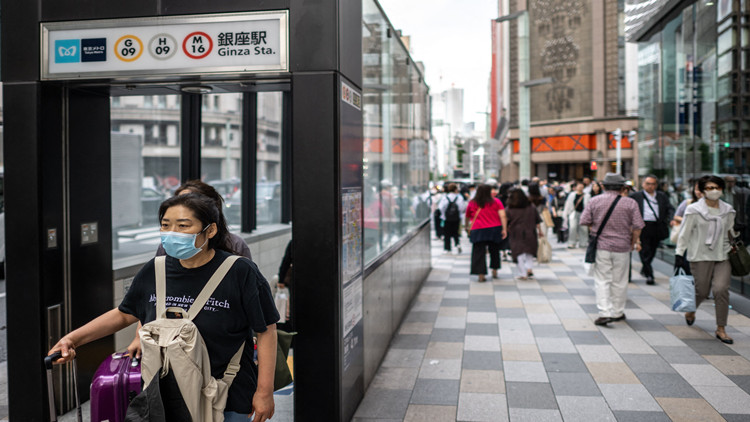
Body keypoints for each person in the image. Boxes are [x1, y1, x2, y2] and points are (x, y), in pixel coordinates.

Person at [48, 193, 280, 421]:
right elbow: (123, 314)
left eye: (183, 226)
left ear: (210, 230)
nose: (172, 233)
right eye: (166, 225)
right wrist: (72, 339)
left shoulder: (241, 272)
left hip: (227, 394)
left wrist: (264, 392)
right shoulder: (154, 270)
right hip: (164, 396)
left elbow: (266, 330)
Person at [675, 175, 736, 344]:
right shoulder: (694, 210)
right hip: (700, 256)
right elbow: (684, 233)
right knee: (701, 291)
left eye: (717, 187)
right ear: (702, 191)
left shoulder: (728, 210)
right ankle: (691, 310)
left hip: (723, 255)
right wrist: (679, 254)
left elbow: (731, 233)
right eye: (709, 188)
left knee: (721, 289)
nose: (714, 191)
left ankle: (721, 328)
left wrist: (737, 235)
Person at [580, 173, 644, 326]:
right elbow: (638, 226)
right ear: (623, 187)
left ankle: (604, 312)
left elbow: (584, 221)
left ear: (603, 186)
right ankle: (617, 312)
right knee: (620, 280)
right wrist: (633, 242)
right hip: (622, 246)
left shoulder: (594, 201)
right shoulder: (630, 203)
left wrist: (595, 230)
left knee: (602, 280)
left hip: (602, 246)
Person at [630, 175, 674, 285]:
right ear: (643, 184)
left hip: (657, 226)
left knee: (653, 249)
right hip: (642, 226)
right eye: (648, 184)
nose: (650, 186)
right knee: (644, 249)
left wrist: (671, 219)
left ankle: (645, 267)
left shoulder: (661, 196)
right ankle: (650, 274)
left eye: (653, 184)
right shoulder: (636, 196)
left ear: (656, 185)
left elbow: (669, 208)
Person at [465, 184, 508, 282]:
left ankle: (481, 274)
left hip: (478, 229)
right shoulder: (496, 201)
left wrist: (467, 226)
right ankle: (494, 269)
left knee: (478, 251)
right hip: (494, 228)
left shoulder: (472, 202)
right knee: (494, 250)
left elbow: (467, 216)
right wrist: (504, 229)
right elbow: (503, 215)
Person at [505, 188, 544, 280]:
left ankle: (523, 273)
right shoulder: (531, 206)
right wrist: (540, 231)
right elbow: (537, 220)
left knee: (518, 252)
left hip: (516, 232)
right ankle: (529, 268)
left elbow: (506, 220)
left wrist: (505, 229)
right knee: (529, 251)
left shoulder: (510, 208)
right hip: (530, 231)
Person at [671, 179, 702, 274]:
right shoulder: (688, 203)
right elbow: (676, 216)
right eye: (696, 189)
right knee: (686, 266)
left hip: (702, 243)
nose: (698, 192)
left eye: (700, 189)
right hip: (688, 240)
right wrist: (686, 220)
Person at [438, 183, 466, 254]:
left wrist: (444, 215)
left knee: (447, 233)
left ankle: (448, 248)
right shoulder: (459, 197)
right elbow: (462, 208)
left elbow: (441, 207)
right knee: (456, 232)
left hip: (447, 218)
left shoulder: (445, 197)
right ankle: (457, 244)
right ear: (456, 189)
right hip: (456, 218)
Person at [563, 181, 590, 248]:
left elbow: (589, 206)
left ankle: (583, 242)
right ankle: (572, 242)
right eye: (579, 186)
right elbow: (568, 204)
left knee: (584, 229)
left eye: (582, 186)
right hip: (573, 213)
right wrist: (565, 213)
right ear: (576, 187)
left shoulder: (587, 195)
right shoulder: (572, 194)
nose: (580, 187)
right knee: (572, 228)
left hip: (583, 213)